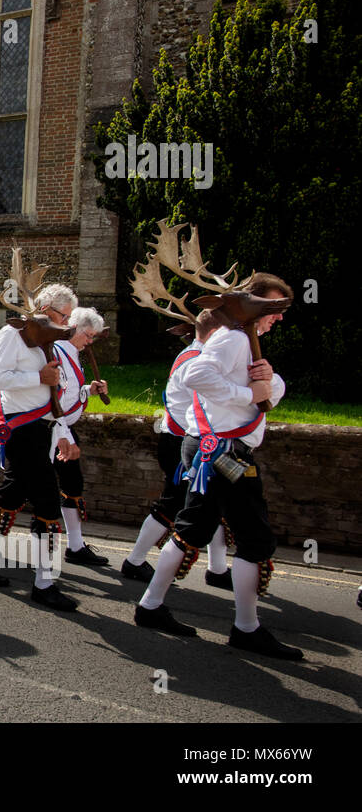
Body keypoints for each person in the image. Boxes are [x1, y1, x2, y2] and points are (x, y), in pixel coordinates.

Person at [134, 274, 301, 659]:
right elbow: (196, 375)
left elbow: (267, 393)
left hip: (211, 449)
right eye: (273, 309)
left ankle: (150, 606)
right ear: (252, 304)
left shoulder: (241, 339)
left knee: (194, 527)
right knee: (254, 538)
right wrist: (250, 392)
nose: (277, 318)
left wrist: (268, 383)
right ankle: (246, 628)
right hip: (226, 454)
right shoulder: (235, 337)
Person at [0, 284, 80, 612]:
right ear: (43, 309)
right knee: (47, 501)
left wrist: (64, 434)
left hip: (43, 429)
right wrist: (36, 376)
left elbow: (52, 395)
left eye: (69, 317)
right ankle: (44, 583)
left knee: (11, 495)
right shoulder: (13, 334)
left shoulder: (50, 340)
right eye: (62, 315)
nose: (66, 322)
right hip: (20, 430)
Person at [122, 310, 231, 585]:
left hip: (192, 441)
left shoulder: (200, 357)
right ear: (216, 334)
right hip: (182, 442)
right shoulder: (196, 362)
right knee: (173, 503)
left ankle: (217, 570)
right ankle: (134, 561)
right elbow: (195, 411)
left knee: (214, 502)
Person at [48, 307, 111, 567]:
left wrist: (89, 390)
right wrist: (65, 435)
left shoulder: (72, 353)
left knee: (72, 484)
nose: (90, 342)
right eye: (88, 335)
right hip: (54, 429)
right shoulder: (59, 352)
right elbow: (55, 399)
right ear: (74, 329)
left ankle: (75, 545)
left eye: (93, 337)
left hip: (64, 427)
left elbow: (71, 393)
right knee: (35, 488)